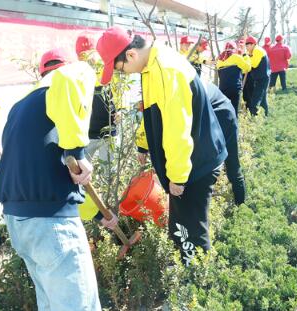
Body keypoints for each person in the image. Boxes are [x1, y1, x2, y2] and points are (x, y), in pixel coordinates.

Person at [0, 48, 117, 310]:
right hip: (50, 227)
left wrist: (97, 214)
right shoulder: (67, 79)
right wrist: (76, 151)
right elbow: (72, 77)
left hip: (20, 222)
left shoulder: (21, 108)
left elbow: (57, 178)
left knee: (52, 304)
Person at [96, 26, 227, 267]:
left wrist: (177, 177)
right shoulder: (151, 67)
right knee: (179, 222)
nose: (122, 75)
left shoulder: (166, 70)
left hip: (195, 164)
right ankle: (185, 269)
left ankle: (198, 281)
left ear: (131, 55)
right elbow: (153, 113)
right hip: (188, 164)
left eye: (119, 69)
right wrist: (143, 145)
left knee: (192, 227)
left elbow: (178, 130)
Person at [75, 32, 119, 164]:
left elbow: (120, 94)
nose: (86, 59)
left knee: (110, 173)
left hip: (109, 134)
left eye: (88, 55)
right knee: (81, 171)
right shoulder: (76, 74)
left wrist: (121, 109)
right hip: (87, 135)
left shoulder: (108, 70)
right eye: (82, 56)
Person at [206, 82, 246, 205]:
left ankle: (241, 205)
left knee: (232, 164)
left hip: (224, 117)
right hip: (212, 117)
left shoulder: (187, 87)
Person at [216, 41, 251, 115]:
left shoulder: (219, 59)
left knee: (224, 110)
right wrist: (245, 55)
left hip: (222, 88)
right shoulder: (236, 57)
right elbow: (248, 67)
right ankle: (234, 125)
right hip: (234, 88)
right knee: (234, 110)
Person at [245, 35, 271, 116]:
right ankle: (266, 114)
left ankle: (254, 116)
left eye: (248, 45)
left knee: (255, 99)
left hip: (262, 79)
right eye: (246, 45)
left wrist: (246, 57)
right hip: (262, 78)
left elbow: (254, 64)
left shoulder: (257, 51)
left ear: (253, 44)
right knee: (262, 98)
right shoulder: (255, 51)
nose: (246, 47)